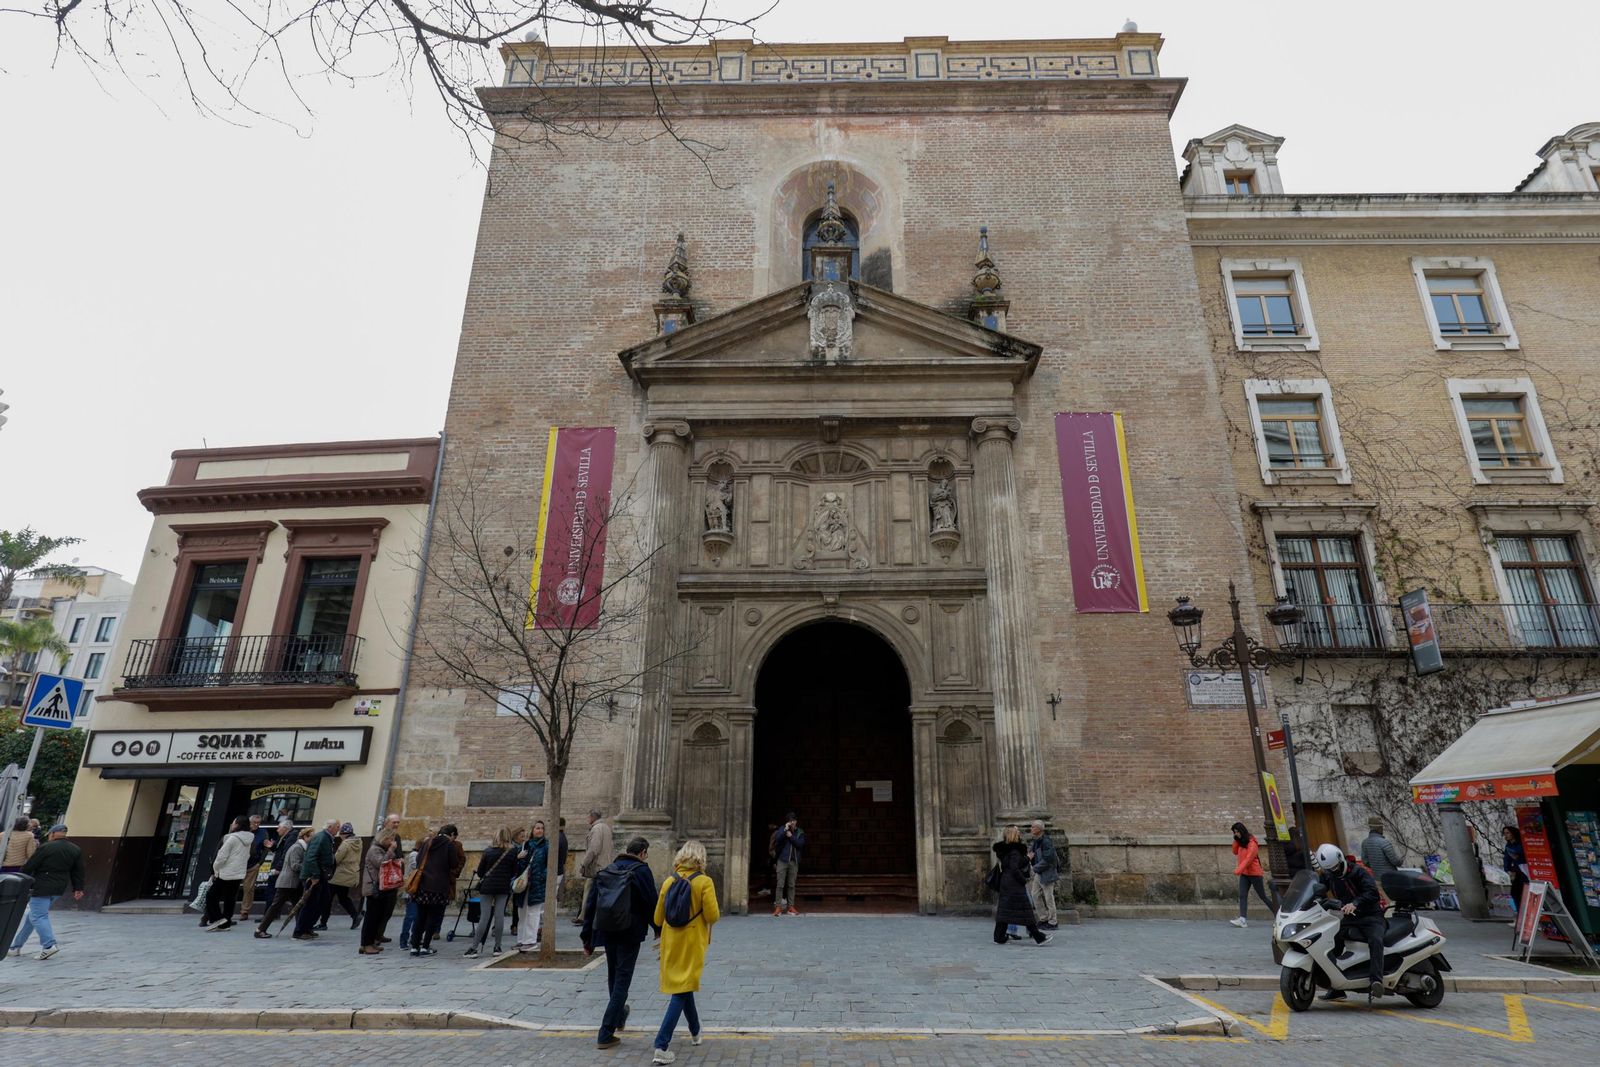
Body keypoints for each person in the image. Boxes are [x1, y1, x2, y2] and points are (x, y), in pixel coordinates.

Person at [581, 836, 659, 1050]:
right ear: (642, 852)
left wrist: (587, 937)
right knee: (622, 979)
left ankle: (619, 1016)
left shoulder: (608, 869)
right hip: (630, 932)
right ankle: (606, 1032)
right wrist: (658, 928)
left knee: (614, 976)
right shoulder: (642, 871)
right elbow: (651, 902)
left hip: (608, 930)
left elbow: (591, 905)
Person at [651, 839, 720, 1065]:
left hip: (671, 943)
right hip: (692, 942)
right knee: (681, 990)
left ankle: (695, 1031)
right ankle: (661, 1045)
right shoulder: (704, 882)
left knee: (684, 985)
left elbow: (657, 918)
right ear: (701, 858)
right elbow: (713, 916)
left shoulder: (669, 881)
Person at [1311, 843, 1385, 1002]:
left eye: (1335, 868)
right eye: (1330, 870)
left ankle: (1376, 981)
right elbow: (1320, 888)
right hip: (1350, 918)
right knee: (1331, 941)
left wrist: (1355, 903)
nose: (1334, 872)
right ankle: (1336, 987)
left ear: (1340, 859)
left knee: (1375, 939)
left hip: (1371, 916)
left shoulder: (1358, 872)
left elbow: (1372, 893)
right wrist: (1314, 899)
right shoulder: (1329, 874)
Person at [8, 824, 84, 960]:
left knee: (38, 916)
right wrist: (78, 888)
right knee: (32, 917)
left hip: (42, 885)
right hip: (59, 887)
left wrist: (20, 878)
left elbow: (31, 865)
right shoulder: (75, 849)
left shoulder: (46, 847)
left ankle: (49, 945)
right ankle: (15, 947)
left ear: (53, 834)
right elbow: (78, 870)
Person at [409, 824, 465, 957]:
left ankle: (414, 946)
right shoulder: (449, 845)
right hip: (439, 886)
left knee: (420, 916)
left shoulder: (428, 842)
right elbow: (454, 864)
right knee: (433, 917)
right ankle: (425, 947)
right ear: (452, 834)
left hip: (423, 884)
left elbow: (418, 860)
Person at [465, 826, 518, 958]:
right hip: (503, 887)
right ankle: (497, 947)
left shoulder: (488, 851)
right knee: (499, 916)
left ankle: (474, 948)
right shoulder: (513, 851)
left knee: (484, 917)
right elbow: (514, 871)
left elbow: (480, 872)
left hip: (487, 887)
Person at [993, 825, 1051, 946]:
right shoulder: (1014, 850)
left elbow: (1012, 864)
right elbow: (1014, 868)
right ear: (1013, 834)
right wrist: (1023, 880)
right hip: (1014, 884)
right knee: (1026, 911)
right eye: (1017, 831)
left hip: (1006, 882)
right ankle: (1039, 937)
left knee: (1004, 911)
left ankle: (998, 937)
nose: (1019, 832)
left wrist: (1027, 858)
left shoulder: (1005, 849)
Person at [256, 828, 312, 938]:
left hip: (293, 882)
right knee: (275, 906)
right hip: (287, 882)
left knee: (298, 906)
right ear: (305, 837)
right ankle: (260, 930)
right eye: (311, 837)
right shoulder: (297, 847)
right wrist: (307, 867)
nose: (312, 839)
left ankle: (301, 930)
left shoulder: (302, 847)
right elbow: (295, 865)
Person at [293, 817, 341, 941]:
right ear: (330, 827)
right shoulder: (321, 837)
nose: (339, 830)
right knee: (310, 903)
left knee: (323, 900)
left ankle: (308, 927)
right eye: (337, 827)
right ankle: (300, 931)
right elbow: (311, 857)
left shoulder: (327, 838)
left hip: (321, 875)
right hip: (314, 876)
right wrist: (315, 875)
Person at [203, 816, 255, 931]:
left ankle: (218, 919)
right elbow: (248, 856)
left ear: (237, 825)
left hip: (226, 872)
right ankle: (226, 923)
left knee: (211, 896)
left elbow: (221, 856)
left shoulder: (232, 838)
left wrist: (215, 869)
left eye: (233, 822)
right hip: (238, 873)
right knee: (230, 898)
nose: (232, 824)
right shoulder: (249, 839)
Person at [359, 830, 402, 955]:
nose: (392, 842)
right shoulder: (374, 850)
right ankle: (366, 944)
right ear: (384, 838)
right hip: (373, 888)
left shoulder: (382, 849)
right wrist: (391, 850)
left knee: (377, 917)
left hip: (381, 887)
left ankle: (371, 942)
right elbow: (382, 863)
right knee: (371, 918)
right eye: (390, 839)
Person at [1230, 822, 1276, 928]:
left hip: (1255, 874)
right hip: (1245, 874)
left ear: (1242, 831)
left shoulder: (1252, 842)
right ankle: (1242, 920)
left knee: (1263, 896)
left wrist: (1238, 870)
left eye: (1237, 832)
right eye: (1234, 832)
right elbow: (1235, 852)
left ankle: (1279, 916)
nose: (1236, 834)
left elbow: (1249, 859)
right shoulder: (1241, 842)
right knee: (1242, 895)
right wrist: (1236, 840)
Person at [573, 809, 613, 926]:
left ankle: (585, 916)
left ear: (592, 817)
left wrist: (584, 863)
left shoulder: (596, 829)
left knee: (590, 890)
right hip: (606, 865)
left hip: (597, 867)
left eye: (588, 816)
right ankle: (585, 916)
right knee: (597, 892)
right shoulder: (607, 828)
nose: (587, 819)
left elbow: (593, 849)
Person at [516, 821, 550, 953]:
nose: (539, 830)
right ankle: (521, 939)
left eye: (542, 828)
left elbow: (549, 865)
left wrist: (542, 876)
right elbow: (520, 865)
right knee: (522, 912)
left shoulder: (546, 846)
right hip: (524, 883)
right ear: (532, 830)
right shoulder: (526, 845)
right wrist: (519, 858)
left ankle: (530, 941)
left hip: (537, 883)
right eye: (537, 828)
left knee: (533, 912)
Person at [322, 822, 364, 929]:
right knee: (343, 898)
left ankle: (323, 923)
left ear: (343, 834)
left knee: (327, 898)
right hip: (351, 874)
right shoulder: (358, 842)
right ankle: (355, 916)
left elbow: (337, 859)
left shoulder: (346, 844)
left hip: (339, 876)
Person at [769, 812, 805, 917]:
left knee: (791, 885)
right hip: (782, 860)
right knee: (780, 884)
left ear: (796, 821)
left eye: (793, 821)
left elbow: (800, 844)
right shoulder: (782, 829)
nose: (792, 823)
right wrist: (785, 830)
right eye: (790, 821)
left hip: (794, 861)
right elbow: (777, 839)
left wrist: (791, 837)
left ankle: (790, 907)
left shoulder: (800, 832)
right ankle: (778, 907)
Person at [1027, 820, 1060, 929]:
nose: (1031, 829)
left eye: (1033, 827)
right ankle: (1043, 918)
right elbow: (1031, 854)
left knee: (1048, 897)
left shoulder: (1046, 842)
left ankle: (1053, 922)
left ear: (1039, 829)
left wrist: (1034, 868)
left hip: (1047, 873)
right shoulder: (1036, 841)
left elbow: (1048, 859)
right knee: (1035, 895)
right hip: (1039, 873)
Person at [235, 814, 269, 920]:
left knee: (249, 888)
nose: (256, 825)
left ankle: (244, 911)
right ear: (249, 822)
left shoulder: (263, 833)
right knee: (232, 886)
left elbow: (266, 848)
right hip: (239, 863)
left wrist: (260, 862)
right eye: (254, 822)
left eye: (258, 823)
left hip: (253, 864)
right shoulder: (243, 831)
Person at [1360, 816, 1403, 882]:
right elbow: (1396, 862)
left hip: (1377, 879)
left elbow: (1365, 861)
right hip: (1391, 879)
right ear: (1379, 828)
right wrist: (1401, 860)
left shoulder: (1364, 843)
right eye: (1381, 827)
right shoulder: (1384, 842)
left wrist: (1376, 867)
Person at [397, 839, 420, 949]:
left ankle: (414, 938)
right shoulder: (414, 855)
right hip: (411, 891)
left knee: (417, 917)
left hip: (418, 891)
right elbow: (417, 867)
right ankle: (403, 941)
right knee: (410, 916)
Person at [1503, 825, 1530, 917]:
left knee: (1525, 891)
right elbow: (1506, 859)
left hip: (1525, 870)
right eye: (1504, 833)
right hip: (1517, 871)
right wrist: (1508, 869)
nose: (1505, 835)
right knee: (1515, 893)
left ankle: (1526, 912)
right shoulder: (1508, 846)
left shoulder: (1521, 844)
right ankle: (1520, 913)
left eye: (1507, 833)